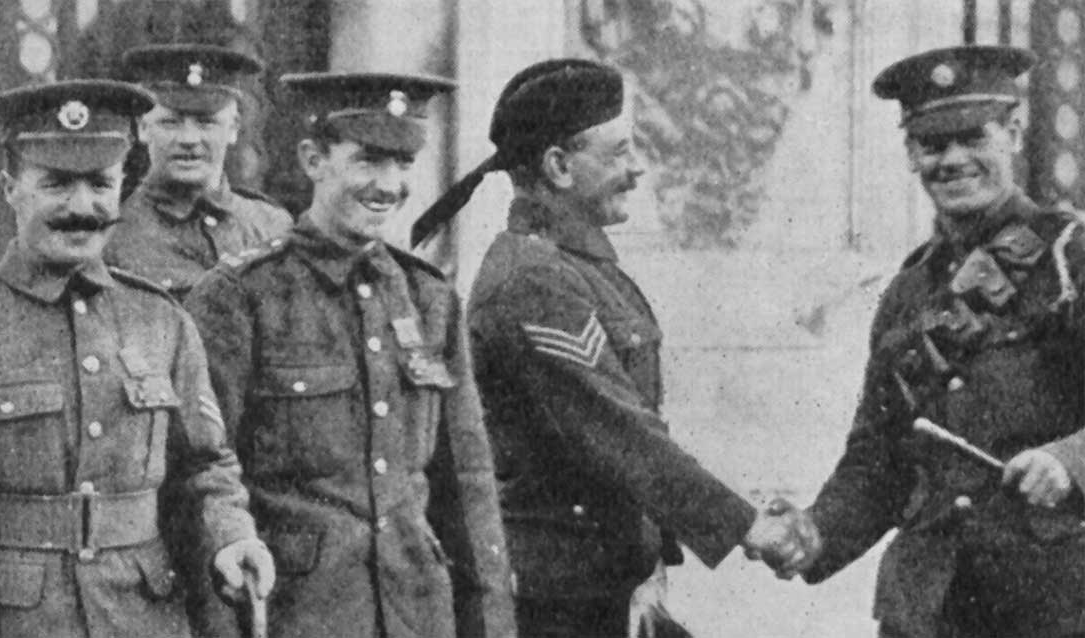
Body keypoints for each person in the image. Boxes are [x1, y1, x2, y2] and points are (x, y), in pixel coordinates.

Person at [0, 79, 274, 638]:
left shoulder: (162, 321)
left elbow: (204, 468)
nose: (82, 207)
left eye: (100, 184)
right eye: (57, 183)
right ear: (11, 189)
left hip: (143, 619)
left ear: (121, 187)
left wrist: (230, 536)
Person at [417, 58, 801, 637]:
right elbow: (618, 430)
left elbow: (634, 429)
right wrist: (750, 526)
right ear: (559, 166)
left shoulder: (583, 269)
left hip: (604, 591)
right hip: (554, 607)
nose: (637, 168)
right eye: (620, 152)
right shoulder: (534, 280)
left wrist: (653, 561)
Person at [182, 71, 513, 638]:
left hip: (418, 613)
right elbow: (200, 473)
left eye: (403, 164)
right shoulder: (240, 296)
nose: (389, 185)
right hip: (296, 615)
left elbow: (468, 485)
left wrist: (493, 625)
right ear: (313, 160)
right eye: (368, 161)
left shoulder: (428, 297)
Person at [769, 45, 1085, 638]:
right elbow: (877, 458)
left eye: (973, 137)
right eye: (934, 144)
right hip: (927, 608)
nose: (954, 159)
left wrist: (1069, 461)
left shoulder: (1070, 258)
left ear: (1013, 134)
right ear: (912, 154)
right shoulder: (909, 292)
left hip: (1052, 606)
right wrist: (814, 534)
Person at [104, 43, 291, 297]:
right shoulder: (113, 235)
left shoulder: (272, 226)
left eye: (206, 122)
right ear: (143, 128)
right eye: (171, 122)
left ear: (234, 127)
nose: (189, 139)